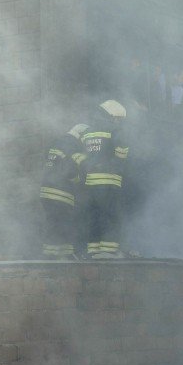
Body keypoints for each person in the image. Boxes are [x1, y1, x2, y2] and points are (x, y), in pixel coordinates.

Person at [82, 100, 129, 259]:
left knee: (95, 215)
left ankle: (93, 250)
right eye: (117, 118)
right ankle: (108, 251)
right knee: (110, 214)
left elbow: (84, 157)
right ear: (111, 116)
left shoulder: (87, 132)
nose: (118, 121)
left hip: (91, 182)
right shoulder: (114, 130)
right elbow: (122, 152)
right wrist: (119, 165)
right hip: (109, 180)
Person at [38, 124, 88, 259]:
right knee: (66, 222)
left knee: (53, 222)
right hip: (62, 191)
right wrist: (80, 179)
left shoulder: (57, 142)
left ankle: (51, 255)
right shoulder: (73, 145)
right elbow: (72, 169)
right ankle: (67, 255)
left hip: (45, 190)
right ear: (81, 136)